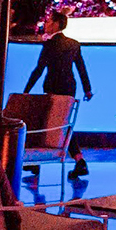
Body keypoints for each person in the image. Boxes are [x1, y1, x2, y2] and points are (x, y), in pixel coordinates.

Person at [22, 10, 92, 179]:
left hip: (52, 87)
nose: (46, 24)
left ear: (56, 24)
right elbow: (81, 68)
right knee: (65, 123)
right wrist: (87, 89)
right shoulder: (73, 44)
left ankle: (37, 162)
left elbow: (39, 69)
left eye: (48, 21)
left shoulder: (49, 45)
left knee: (46, 123)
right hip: (69, 87)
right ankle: (78, 160)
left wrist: (26, 90)